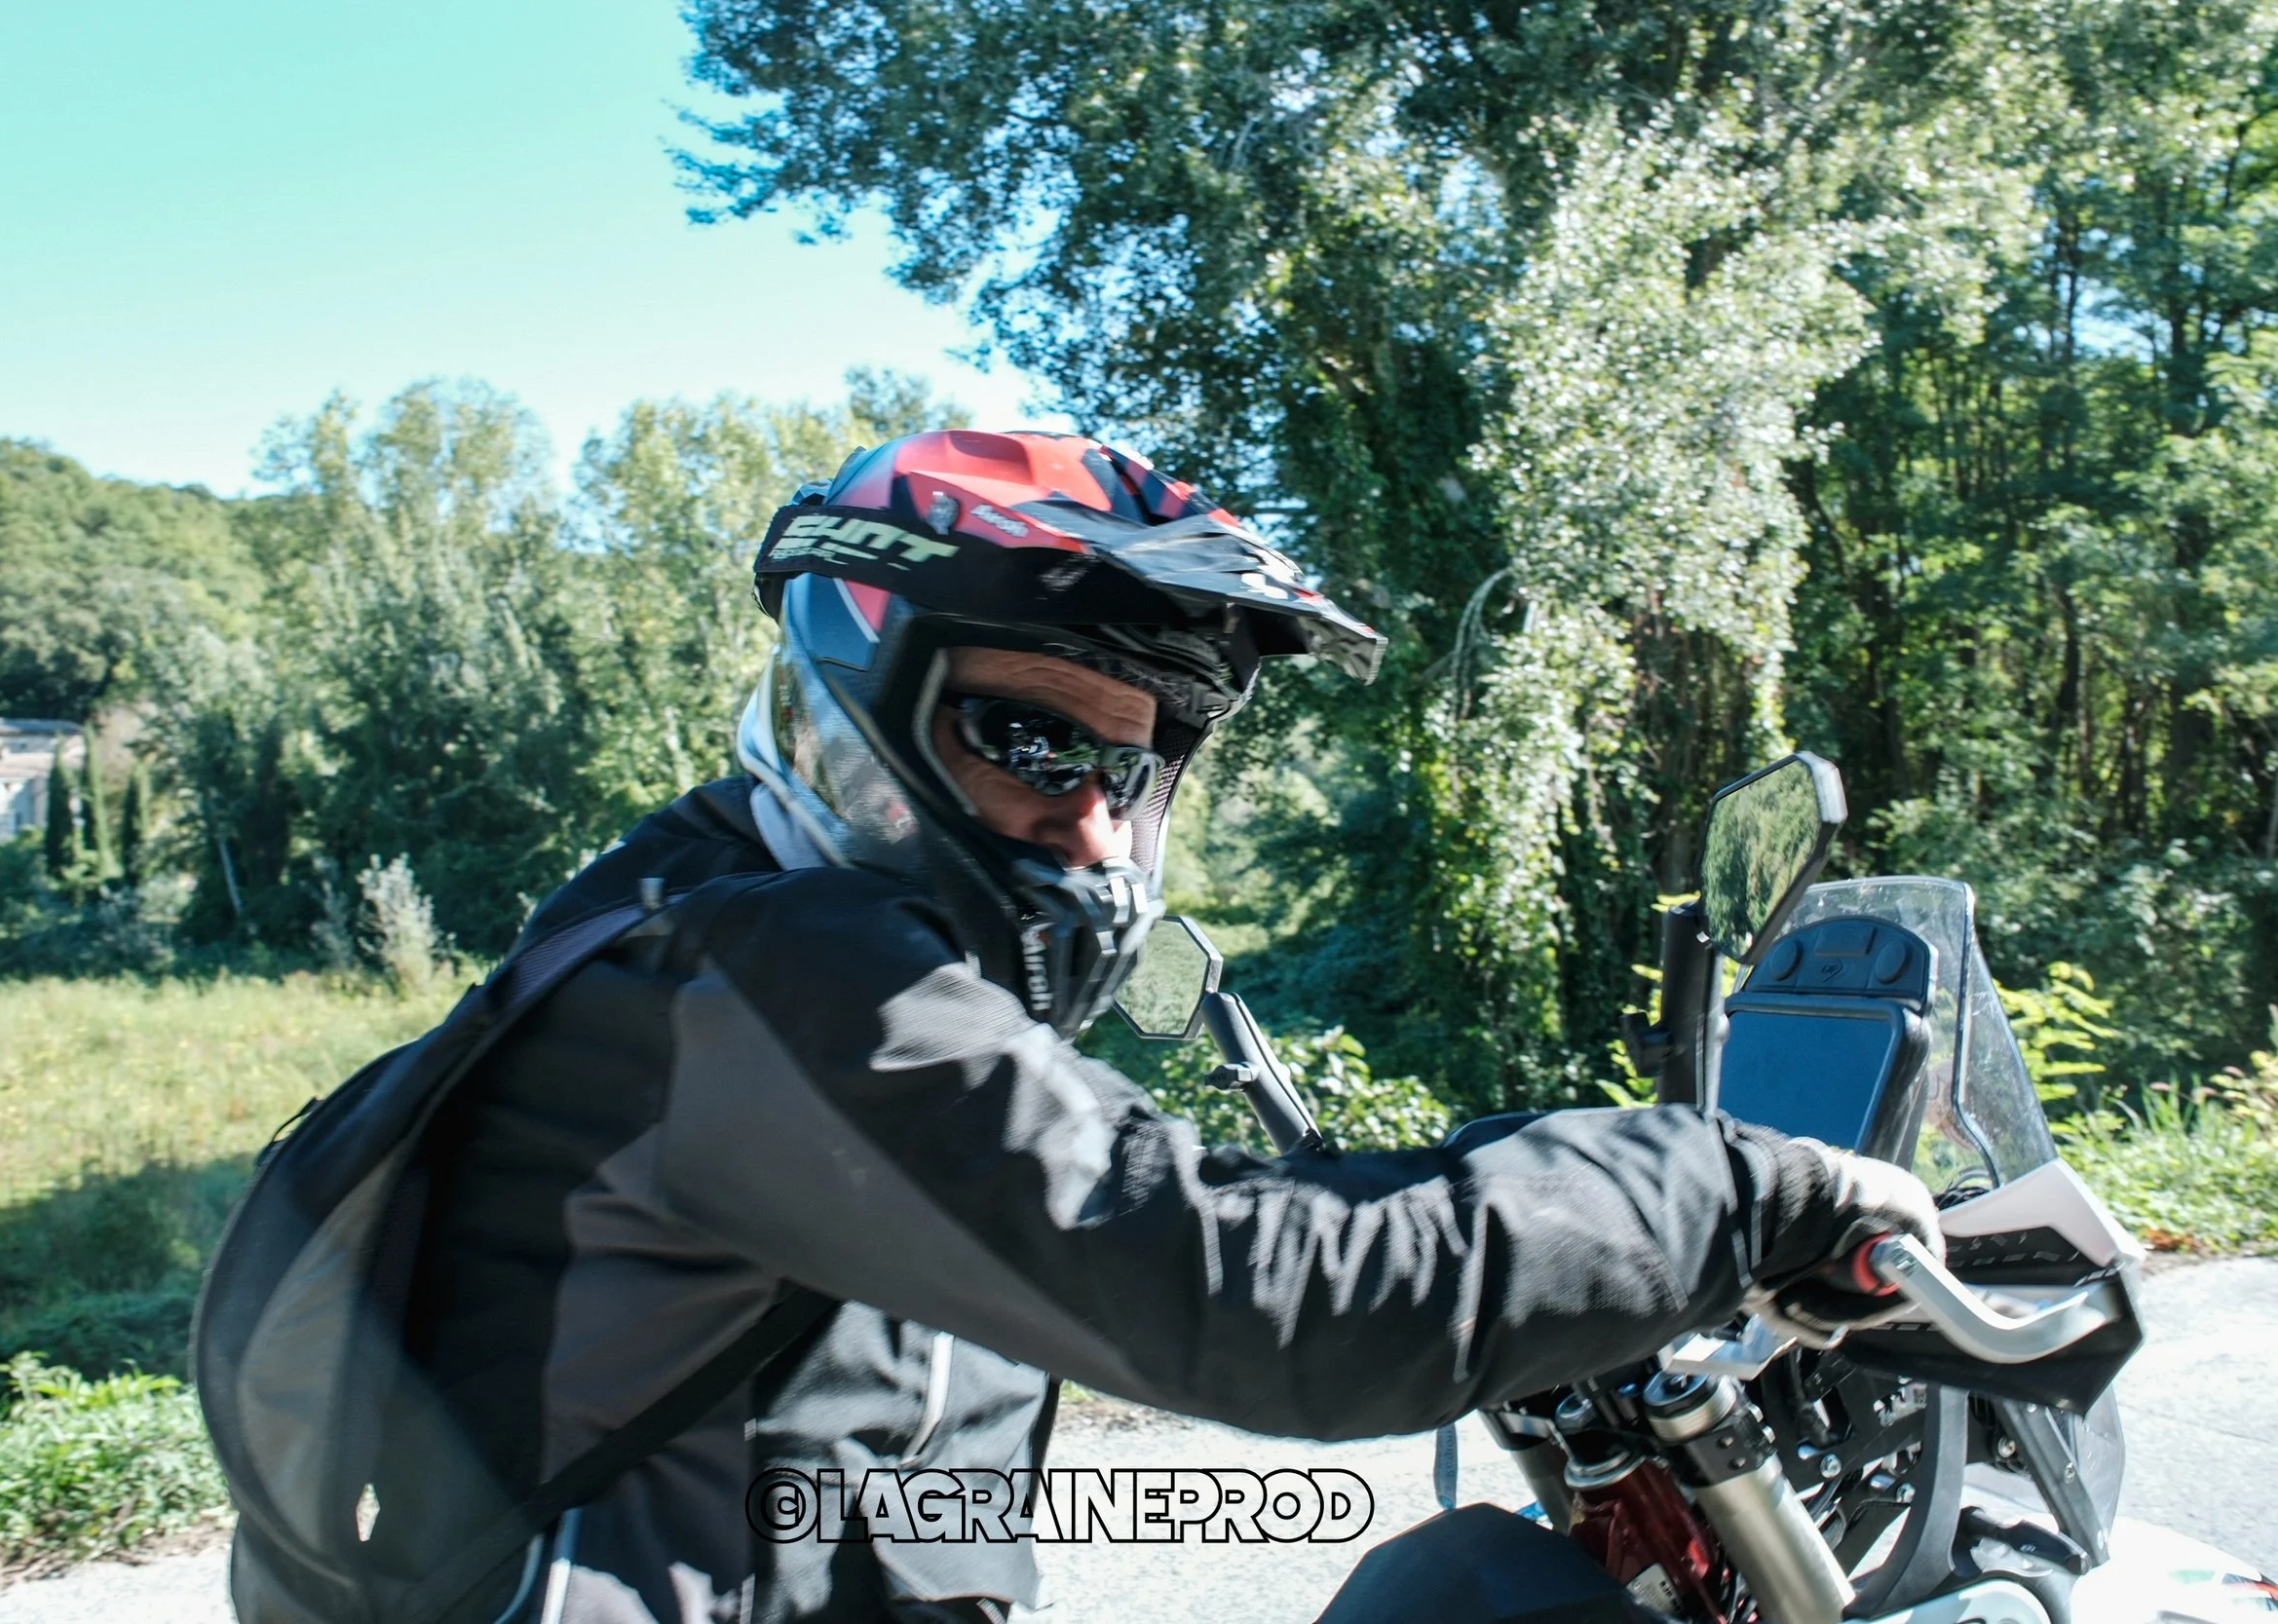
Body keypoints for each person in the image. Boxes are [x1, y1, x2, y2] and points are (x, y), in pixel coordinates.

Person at [363, 429, 1938, 1624]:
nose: (1096, 825)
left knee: (1467, 1581)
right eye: (1035, 741)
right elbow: (1260, 1302)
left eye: (1129, 770)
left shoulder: (674, 926)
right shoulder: (765, 983)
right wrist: (1741, 1193)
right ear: (862, 699)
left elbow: (1109, 1245)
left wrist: (1497, 1188)